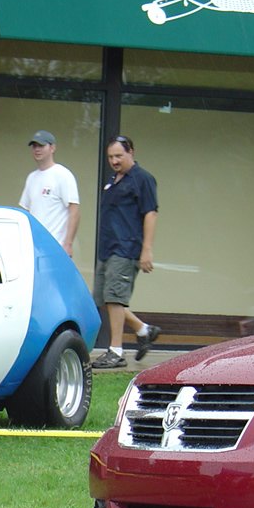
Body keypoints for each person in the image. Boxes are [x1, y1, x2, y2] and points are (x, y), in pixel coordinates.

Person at [91, 135, 161, 369]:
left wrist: (146, 250)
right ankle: (144, 330)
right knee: (104, 300)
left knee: (115, 297)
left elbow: (150, 213)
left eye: (119, 155)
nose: (114, 160)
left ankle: (116, 351)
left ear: (131, 152)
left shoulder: (143, 179)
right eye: (111, 157)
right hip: (107, 250)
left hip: (126, 249)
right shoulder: (113, 180)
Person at [19, 130, 80, 256]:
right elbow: (26, 212)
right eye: (34, 146)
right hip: (34, 247)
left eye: (41, 146)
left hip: (56, 248)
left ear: (52, 148)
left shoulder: (63, 175)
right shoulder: (31, 177)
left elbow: (74, 211)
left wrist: (68, 244)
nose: (37, 149)